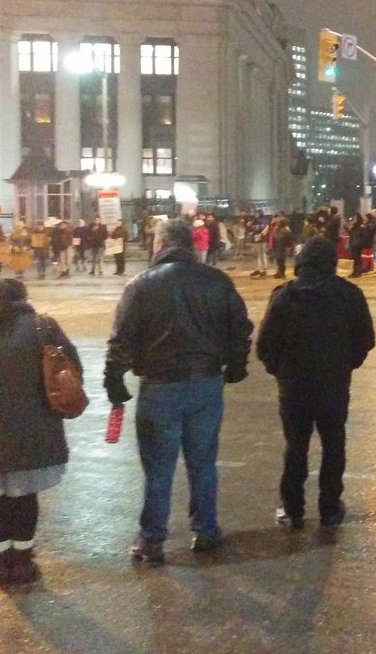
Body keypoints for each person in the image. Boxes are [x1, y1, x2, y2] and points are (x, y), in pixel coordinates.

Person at [104, 219, 253, 562]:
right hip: (206, 384)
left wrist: (114, 381)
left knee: (158, 467)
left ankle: (152, 538)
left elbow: (120, 340)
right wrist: (237, 364)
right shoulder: (217, 281)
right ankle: (205, 530)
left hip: (160, 387)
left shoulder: (140, 287)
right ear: (190, 245)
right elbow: (240, 327)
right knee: (203, 462)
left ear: (160, 244)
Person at [0, 279, 80, 588]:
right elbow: (72, 366)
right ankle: (23, 562)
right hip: (33, 426)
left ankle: (2, 565)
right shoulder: (42, 327)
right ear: (21, 299)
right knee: (24, 496)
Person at [257, 236, 376, 528]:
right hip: (333, 384)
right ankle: (330, 507)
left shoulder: (284, 295)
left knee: (296, 446)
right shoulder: (349, 294)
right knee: (334, 444)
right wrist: (347, 364)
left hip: (294, 385)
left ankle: (293, 508)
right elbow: (365, 340)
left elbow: (265, 344)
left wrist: (279, 370)